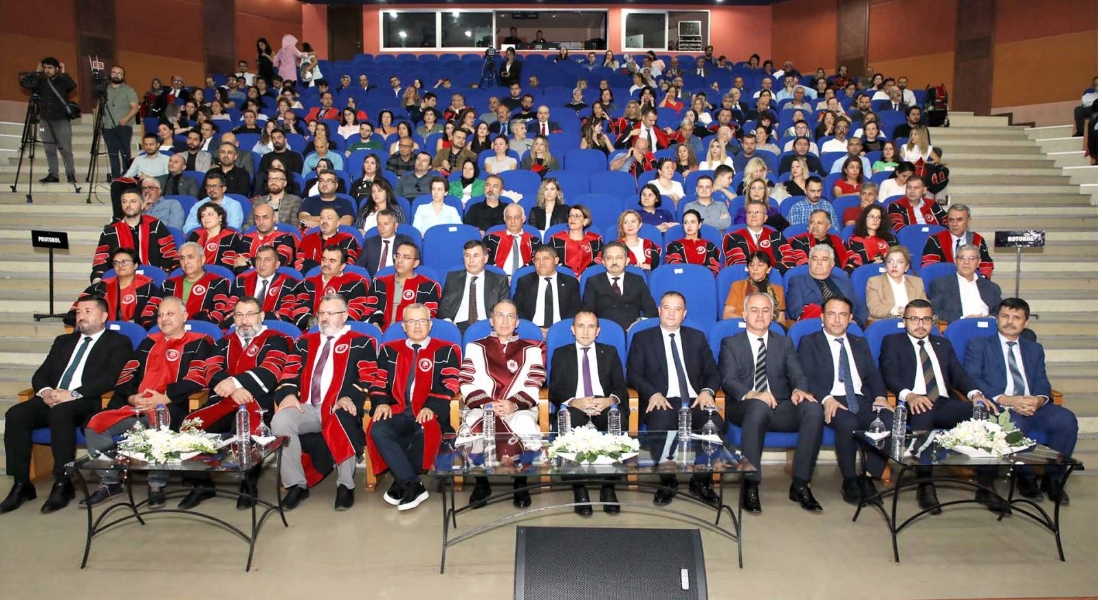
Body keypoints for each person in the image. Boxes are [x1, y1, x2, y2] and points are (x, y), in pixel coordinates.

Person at [82, 296, 216, 509]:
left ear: (184, 316)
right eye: (160, 315)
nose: (164, 319)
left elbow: (198, 378)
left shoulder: (200, 342)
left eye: (170, 314)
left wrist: (165, 398)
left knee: (159, 423)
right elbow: (127, 373)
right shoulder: (149, 342)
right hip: (136, 406)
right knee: (95, 424)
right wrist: (131, 397)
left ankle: (156, 485)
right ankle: (110, 481)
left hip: (172, 406)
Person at [0, 297, 132, 514]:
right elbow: (42, 373)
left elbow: (111, 378)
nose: (81, 316)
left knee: (61, 413)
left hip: (86, 400)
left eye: (87, 311)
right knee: (16, 414)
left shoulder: (117, 342)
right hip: (53, 397)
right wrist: (46, 392)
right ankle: (21, 484)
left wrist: (73, 394)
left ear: (104, 316)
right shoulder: (63, 341)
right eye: (79, 312)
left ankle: (63, 482)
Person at [879, 299, 993, 514]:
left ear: (933, 321)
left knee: (983, 412)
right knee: (924, 409)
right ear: (905, 321)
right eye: (914, 319)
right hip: (913, 404)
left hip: (943, 402)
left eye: (926, 319)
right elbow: (889, 374)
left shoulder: (943, 344)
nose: (920, 324)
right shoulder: (893, 342)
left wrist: (975, 394)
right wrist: (910, 396)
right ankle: (926, 485)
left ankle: (986, 486)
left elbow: (959, 374)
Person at [965, 298, 1077, 504]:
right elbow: (973, 377)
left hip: (1031, 404)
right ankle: (1026, 478)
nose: (1009, 321)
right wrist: (1007, 399)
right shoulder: (979, 345)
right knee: (1016, 423)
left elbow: (1042, 381)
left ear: (1026, 323)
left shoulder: (1034, 349)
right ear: (997, 319)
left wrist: (1039, 400)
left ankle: (1053, 480)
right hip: (999, 405)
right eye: (1004, 316)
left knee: (1066, 420)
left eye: (1016, 318)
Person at [720, 292, 821, 513]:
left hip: (780, 406)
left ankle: (800, 484)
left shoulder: (784, 343)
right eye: (754, 310)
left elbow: (797, 374)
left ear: (773, 315)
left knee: (813, 409)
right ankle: (750, 483)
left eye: (766, 310)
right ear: (744, 314)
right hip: (745, 406)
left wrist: (799, 389)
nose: (760, 315)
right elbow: (728, 380)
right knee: (759, 406)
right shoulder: (731, 343)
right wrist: (753, 394)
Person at [272, 294, 373, 510]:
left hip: (337, 406)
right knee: (280, 421)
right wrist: (288, 393)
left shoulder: (361, 342)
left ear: (344, 316)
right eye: (321, 313)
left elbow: (368, 376)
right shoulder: (304, 342)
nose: (324, 318)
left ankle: (345, 486)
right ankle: (297, 484)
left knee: (342, 418)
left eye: (330, 313)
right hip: (306, 407)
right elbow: (289, 371)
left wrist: (349, 396)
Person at [627, 291, 725, 506]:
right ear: (659, 310)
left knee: (715, 422)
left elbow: (712, 371)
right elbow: (633, 374)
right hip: (662, 400)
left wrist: (707, 391)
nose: (671, 313)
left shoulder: (696, 337)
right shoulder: (643, 338)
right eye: (667, 308)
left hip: (695, 400)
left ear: (684, 314)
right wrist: (653, 393)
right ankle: (668, 480)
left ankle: (701, 481)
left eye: (677, 309)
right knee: (661, 420)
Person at [367, 304, 461, 511]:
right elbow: (378, 380)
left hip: (428, 410)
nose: (417, 326)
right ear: (403, 326)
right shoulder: (389, 350)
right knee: (378, 428)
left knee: (426, 427)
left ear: (430, 325)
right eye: (411, 321)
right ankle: (412, 483)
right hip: (398, 410)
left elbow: (451, 382)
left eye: (422, 321)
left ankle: (403, 481)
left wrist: (431, 406)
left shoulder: (447, 350)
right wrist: (381, 402)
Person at [798, 297, 891, 504]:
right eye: (831, 314)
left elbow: (873, 374)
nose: (837, 320)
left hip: (861, 399)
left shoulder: (859, 342)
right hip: (831, 399)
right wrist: (826, 398)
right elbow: (806, 377)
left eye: (843, 315)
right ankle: (849, 479)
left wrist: (880, 397)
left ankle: (868, 477)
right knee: (848, 423)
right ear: (822, 317)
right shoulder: (809, 342)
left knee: (889, 419)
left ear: (850, 319)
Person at [460, 300, 545, 509]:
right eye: (500, 315)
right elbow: (466, 381)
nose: (505, 321)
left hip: (519, 407)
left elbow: (535, 381)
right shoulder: (475, 347)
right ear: (491, 321)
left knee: (524, 424)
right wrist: (488, 404)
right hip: (483, 407)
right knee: (471, 426)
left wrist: (513, 404)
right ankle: (482, 483)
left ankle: (520, 482)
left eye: (510, 316)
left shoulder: (532, 349)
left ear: (517, 322)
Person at [549, 311, 629, 515]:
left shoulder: (609, 352)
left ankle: (608, 487)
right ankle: (579, 488)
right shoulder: (561, 353)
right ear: (573, 330)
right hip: (575, 406)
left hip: (603, 405)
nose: (585, 331)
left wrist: (609, 400)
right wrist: (574, 402)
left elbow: (621, 387)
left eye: (591, 326)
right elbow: (554, 390)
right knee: (568, 421)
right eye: (581, 326)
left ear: (598, 331)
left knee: (617, 419)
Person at [91, 187, 179, 282]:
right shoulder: (110, 231)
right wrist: (97, 278)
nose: (128, 205)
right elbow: (101, 261)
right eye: (124, 202)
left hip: (152, 280)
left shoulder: (155, 226)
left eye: (133, 201)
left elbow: (169, 255)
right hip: (121, 281)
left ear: (142, 205)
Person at [141, 242, 232, 327]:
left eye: (190, 257)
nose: (185, 262)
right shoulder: (168, 284)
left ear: (202, 259)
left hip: (199, 331)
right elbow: (149, 312)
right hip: (168, 330)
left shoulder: (218, 283)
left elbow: (218, 315)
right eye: (182, 258)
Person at [280, 246, 368, 330]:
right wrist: (314, 323)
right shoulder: (308, 283)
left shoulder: (355, 285)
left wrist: (327, 325)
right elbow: (299, 310)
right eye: (323, 259)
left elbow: (353, 314)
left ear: (342, 266)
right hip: (311, 331)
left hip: (341, 333)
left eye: (332, 261)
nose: (326, 264)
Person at [68, 247, 159, 327]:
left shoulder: (148, 287)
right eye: (116, 263)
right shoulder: (100, 287)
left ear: (135, 265)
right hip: (102, 332)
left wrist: (135, 324)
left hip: (135, 332)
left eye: (124, 262)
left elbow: (154, 315)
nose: (120, 265)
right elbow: (74, 313)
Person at [363, 242, 441, 332]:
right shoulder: (379, 283)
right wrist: (375, 325)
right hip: (381, 332)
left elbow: (429, 316)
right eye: (397, 256)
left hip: (412, 334)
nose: (399, 260)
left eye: (406, 257)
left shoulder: (428, 287)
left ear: (415, 263)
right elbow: (370, 309)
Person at [582, 242, 658, 332]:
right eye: (609, 258)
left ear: (627, 261)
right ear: (603, 262)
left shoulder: (637, 280)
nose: (614, 262)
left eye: (619, 258)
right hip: (604, 332)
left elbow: (651, 309)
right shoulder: (593, 282)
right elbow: (588, 313)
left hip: (633, 332)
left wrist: (639, 323)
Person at [437, 240, 510, 334]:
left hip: (487, 327)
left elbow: (504, 308)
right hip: (457, 327)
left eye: (476, 256)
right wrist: (449, 324)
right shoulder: (452, 278)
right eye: (467, 256)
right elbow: (443, 306)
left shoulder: (499, 280)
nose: (471, 261)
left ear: (485, 258)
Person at [786, 245, 866, 323]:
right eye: (815, 259)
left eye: (824, 259)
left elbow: (860, 307)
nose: (819, 263)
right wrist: (830, 320)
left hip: (848, 326)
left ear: (832, 264)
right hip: (817, 326)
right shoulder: (797, 282)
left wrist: (856, 322)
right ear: (809, 262)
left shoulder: (843, 281)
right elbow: (796, 312)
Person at [514, 246, 581, 334]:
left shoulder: (570, 282)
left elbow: (575, 309)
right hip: (531, 331)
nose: (541, 263)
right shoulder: (525, 281)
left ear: (556, 260)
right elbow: (517, 309)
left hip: (561, 331)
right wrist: (533, 329)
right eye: (537, 259)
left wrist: (557, 329)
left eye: (546, 258)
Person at [928, 244, 1002, 324]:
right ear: (955, 261)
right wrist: (963, 319)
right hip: (958, 327)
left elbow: (1001, 312)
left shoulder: (991, 287)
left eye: (972, 258)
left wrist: (989, 318)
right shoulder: (940, 285)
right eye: (962, 258)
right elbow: (934, 312)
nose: (966, 262)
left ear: (978, 262)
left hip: (987, 326)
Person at [31, 57, 78, 183]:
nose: (47, 70)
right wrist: (37, 71)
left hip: (62, 119)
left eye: (50, 68)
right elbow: (29, 85)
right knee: (49, 149)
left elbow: (72, 85)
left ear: (56, 68)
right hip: (45, 120)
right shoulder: (40, 82)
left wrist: (63, 71)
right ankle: (53, 174)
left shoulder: (62, 81)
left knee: (65, 149)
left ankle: (70, 174)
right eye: (45, 67)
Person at [921, 204, 994, 278]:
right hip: (944, 281)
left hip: (971, 281)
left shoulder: (977, 240)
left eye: (959, 220)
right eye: (951, 220)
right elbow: (929, 267)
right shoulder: (935, 240)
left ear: (968, 221)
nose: (954, 224)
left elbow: (986, 265)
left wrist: (981, 280)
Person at [722, 198, 794, 270]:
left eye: (757, 212)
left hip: (775, 275)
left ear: (765, 217)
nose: (753, 216)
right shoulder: (733, 237)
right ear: (746, 217)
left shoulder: (777, 236)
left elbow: (789, 259)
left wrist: (771, 272)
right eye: (749, 212)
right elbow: (738, 264)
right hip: (745, 276)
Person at [722, 250, 786, 324]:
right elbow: (727, 315)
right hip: (743, 326)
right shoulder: (737, 286)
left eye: (760, 265)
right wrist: (752, 320)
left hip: (770, 328)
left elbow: (781, 321)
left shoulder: (778, 290)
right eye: (751, 265)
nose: (755, 268)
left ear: (768, 269)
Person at [865, 246, 926, 322]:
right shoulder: (874, 282)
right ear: (886, 265)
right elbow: (875, 309)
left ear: (906, 267)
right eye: (890, 261)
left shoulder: (916, 282)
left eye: (899, 262)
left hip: (914, 321)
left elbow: (925, 307)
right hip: (887, 322)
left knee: (933, 321)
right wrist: (897, 310)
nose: (894, 265)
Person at [295, 206, 361, 273]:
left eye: (329, 218)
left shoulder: (348, 240)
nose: (324, 221)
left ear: (337, 223)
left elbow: (347, 267)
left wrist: (313, 265)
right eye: (321, 218)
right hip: (309, 278)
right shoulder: (307, 239)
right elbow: (299, 264)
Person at [102, 65, 140, 179]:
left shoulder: (129, 90)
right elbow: (100, 107)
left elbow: (135, 107)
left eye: (119, 74)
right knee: (112, 153)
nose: (116, 75)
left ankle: (127, 176)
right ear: (110, 74)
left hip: (123, 126)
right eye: (114, 73)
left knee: (125, 153)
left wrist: (126, 119)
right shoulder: (105, 90)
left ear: (123, 76)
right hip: (108, 126)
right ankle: (115, 176)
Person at [484, 204, 538, 278]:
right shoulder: (491, 239)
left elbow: (536, 262)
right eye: (509, 218)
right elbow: (485, 259)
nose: (512, 221)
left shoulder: (534, 241)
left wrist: (519, 276)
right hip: (496, 279)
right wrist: (500, 276)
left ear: (523, 219)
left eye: (516, 217)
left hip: (525, 280)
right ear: (504, 219)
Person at [547, 205, 602, 277]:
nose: (572, 219)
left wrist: (585, 275)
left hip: (589, 278)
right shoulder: (556, 240)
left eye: (577, 216)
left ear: (585, 221)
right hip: (563, 277)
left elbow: (600, 259)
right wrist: (570, 275)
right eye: (570, 216)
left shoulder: (595, 240)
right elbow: (550, 259)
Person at [186, 201, 244, 269]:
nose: (206, 218)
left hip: (220, 273)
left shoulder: (232, 237)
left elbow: (234, 263)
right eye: (203, 216)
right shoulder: (194, 235)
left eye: (210, 214)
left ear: (220, 217)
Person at [356, 209, 413, 277]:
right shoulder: (370, 243)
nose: (381, 228)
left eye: (385, 224)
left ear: (395, 225)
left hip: (398, 279)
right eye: (379, 224)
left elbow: (412, 265)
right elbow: (359, 266)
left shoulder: (405, 242)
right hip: (375, 280)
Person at [664, 209, 722, 275]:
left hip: (703, 280)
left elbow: (713, 271)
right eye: (686, 222)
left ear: (699, 225)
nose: (689, 226)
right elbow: (675, 269)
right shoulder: (674, 245)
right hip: (681, 279)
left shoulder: (710, 246)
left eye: (693, 222)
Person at [845, 203, 897, 272]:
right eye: (872, 216)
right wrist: (872, 264)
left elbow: (900, 258)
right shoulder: (854, 241)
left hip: (891, 272)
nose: (875, 220)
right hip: (869, 274)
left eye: (878, 217)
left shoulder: (890, 238)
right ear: (865, 218)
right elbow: (856, 266)